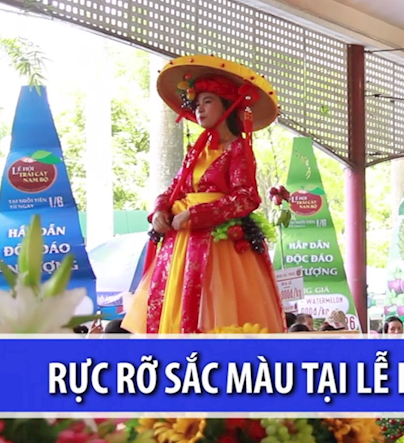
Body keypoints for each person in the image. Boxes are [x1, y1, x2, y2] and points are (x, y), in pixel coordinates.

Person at [122, 55, 285, 335]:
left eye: (208, 101)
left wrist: (195, 214)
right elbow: (174, 188)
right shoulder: (195, 153)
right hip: (182, 241)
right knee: (174, 310)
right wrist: (160, 210)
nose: (199, 108)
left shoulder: (238, 149)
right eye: (196, 103)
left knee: (217, 310)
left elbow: (246, 198)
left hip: (219, 245)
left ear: (227, 105)